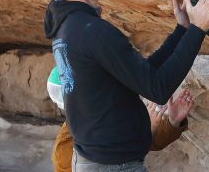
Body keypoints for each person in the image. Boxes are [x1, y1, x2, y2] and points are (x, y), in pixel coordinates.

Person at [34, 0, 209, 171]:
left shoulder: (68, 30)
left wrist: (183, 29)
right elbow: (157, 88)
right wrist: (198, 28)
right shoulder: (91, 31)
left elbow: (142, 74)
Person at [49, 63, 194, 172]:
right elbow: (118, 160)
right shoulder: (64, 151)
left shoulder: (106, 116)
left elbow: (152, 142)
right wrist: (147, 130)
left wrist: (173, 121)